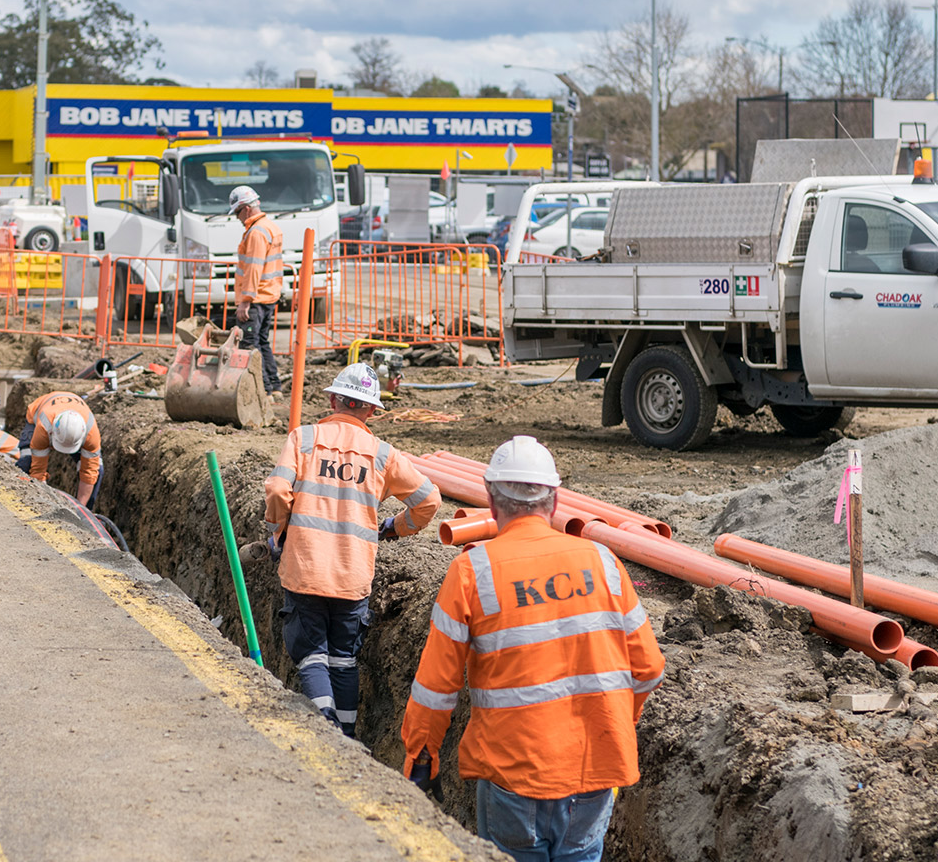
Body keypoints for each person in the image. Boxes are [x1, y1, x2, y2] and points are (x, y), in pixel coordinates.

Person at [400, 436, 665, 862]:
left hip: (513, 775)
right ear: (555, 500)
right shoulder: (604, 561)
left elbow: (436, 684)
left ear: (490, 498)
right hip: (593, 772)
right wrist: (613, 722)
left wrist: (421, 751)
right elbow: (649, 669)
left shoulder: (473, 570)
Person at [263, 363, 441, 736]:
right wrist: (394, 527)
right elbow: (429, 502)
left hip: (305, 566)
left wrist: (277, 530)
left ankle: (325, 727)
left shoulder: (304, 438)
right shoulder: (382, 454)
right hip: (353, 574)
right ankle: (346, 737)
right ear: (371, 410)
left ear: (331, 398)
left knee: (311, 654)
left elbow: (278, 491)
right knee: (343, 659)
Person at [229, 184, 284, 394]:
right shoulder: (271, 227)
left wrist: (245, 300)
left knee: (250, 346)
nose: (237, 218)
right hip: (268, 296)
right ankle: (274, 387)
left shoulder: (256, 232)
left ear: (246, 209)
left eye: (237, 212)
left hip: (256, 298)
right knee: (262, 342)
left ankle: (264, 390)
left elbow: (253, 268)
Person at [16, 389, 101, 505]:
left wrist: (81, 509)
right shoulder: (44, 427)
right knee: (26, 463)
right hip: (40, 412)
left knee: (98, 470)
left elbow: (89, 474)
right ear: (52, 434)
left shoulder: (91, 433)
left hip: (71, 418)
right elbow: (38, 472)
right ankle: (19, 503)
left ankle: (88, 512)